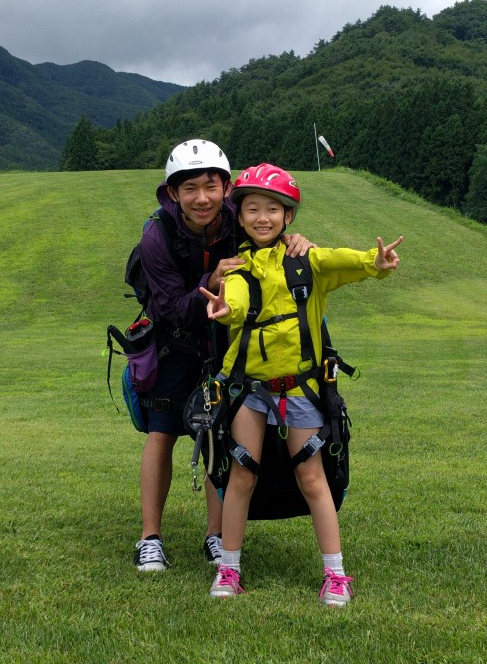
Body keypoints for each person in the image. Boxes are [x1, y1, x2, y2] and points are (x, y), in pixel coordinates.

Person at [200, 163, 403, 606]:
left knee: (312, 477)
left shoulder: (306, 259)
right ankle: (229, 568)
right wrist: (222, 309)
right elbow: (233, 303)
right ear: (241, 215)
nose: (262, 218)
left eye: (273, 209)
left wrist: (378, 262)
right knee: (242, 474)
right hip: (252, 392)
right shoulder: (237, 269)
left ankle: (336, 575)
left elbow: (344, 261)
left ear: (288, 216)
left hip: (299, 389)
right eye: (252, 209)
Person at [133, 142, 314, 573]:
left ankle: (216, 536)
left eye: (210, 186)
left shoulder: (239, 219)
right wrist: (209, 280)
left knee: (221, 435)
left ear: (226, 186)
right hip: (173, 342)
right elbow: (168, 308)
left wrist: (294, 240)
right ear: (172, 193)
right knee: (162, 433)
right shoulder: (157, 235)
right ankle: (150, 537)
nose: (202, 197)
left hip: (228, 345)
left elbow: (269, 239)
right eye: (189, 187)